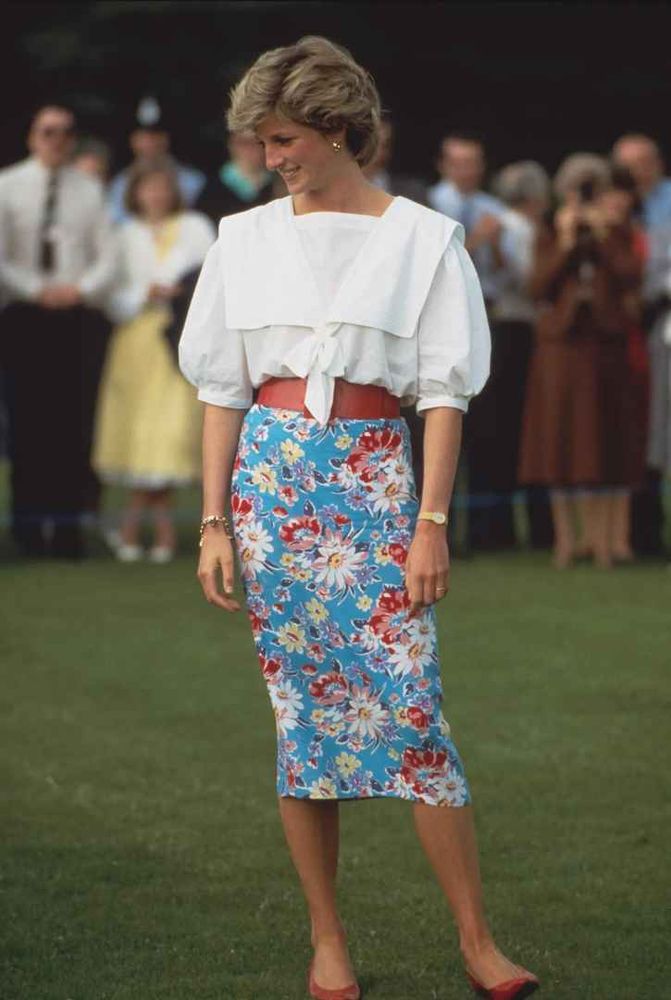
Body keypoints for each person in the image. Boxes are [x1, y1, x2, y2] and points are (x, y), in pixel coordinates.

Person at [179, 35, 538, 1000]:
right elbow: (222, 388)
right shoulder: (240, 239)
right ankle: (326, 941)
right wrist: (213, 525)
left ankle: (475, 941)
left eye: (284, 137)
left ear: (338, 129)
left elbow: (444, 395)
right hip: (272, 488)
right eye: (261, 141)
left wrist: (432, 521)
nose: (271, 159)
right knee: (301, 721)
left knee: (413, 710)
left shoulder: (425, 239)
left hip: (381, 486)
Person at [0, 104, 116, 558]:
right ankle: (27, 528)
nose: (57, 139)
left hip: (75, 316)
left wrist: (79, 289)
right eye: (48, 131)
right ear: (32, 136)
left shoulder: (89, 191)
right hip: (24, 315)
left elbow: (107, 255)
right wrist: (36, 288)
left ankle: (67, 529)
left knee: (73, 421)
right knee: (27, 421)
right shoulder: (8, 186)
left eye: (66, 132)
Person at [518, 154, 643, 569]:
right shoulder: (551, 232)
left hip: (603, 346)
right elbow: (537, 287)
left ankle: (606, 543)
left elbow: (630, 275)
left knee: (604, 443)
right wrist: (568, 242)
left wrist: (604, 235)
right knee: (559, 443)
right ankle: (566, 542)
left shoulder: (617, 232)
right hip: (560, 348)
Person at [93, 158, 215, 563]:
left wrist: (177, 293)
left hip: (179, 339)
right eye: (148, 187)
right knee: (138, 429)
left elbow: (211, 279)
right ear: (135, 192)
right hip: (136, 339)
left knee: (171, 430)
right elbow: (111, 289)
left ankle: (143, 529)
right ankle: (149, 529)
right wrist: (142, 296)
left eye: (163, 186)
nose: (156, 195)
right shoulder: (124, 233)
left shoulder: (197, 227)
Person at [429, 133, 512, 551]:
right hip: (440, 321)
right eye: (460, 162)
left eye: (474, 162)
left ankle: (480, 533)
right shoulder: (427, 205)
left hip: (486, 317)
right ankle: (434, 527)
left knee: (483, 429)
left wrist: (494, 244)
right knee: (441, 417)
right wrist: (476, 239)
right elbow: (438, 266)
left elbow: (508, 274)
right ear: (444, 165)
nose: (468, 170)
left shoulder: (494, 209)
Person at [612, 133, 671, 556]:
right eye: (627, 165)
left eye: (643, 162)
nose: (636, 173)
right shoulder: (613, 208)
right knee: (634, 425)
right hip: (619, 328)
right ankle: (638, 534)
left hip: (662, 317)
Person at [108, 96, 206, 225]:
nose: (150, 143)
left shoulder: (193, 181)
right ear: (133, 140)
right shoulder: (119, 185)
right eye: (143, 137)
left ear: (166, 139)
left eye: (156, 136)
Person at [195, 130, 274, 224]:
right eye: (244, 143)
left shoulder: (278, 185)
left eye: (258, 142)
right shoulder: (212, 189)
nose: (251, 149)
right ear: (231, 145)